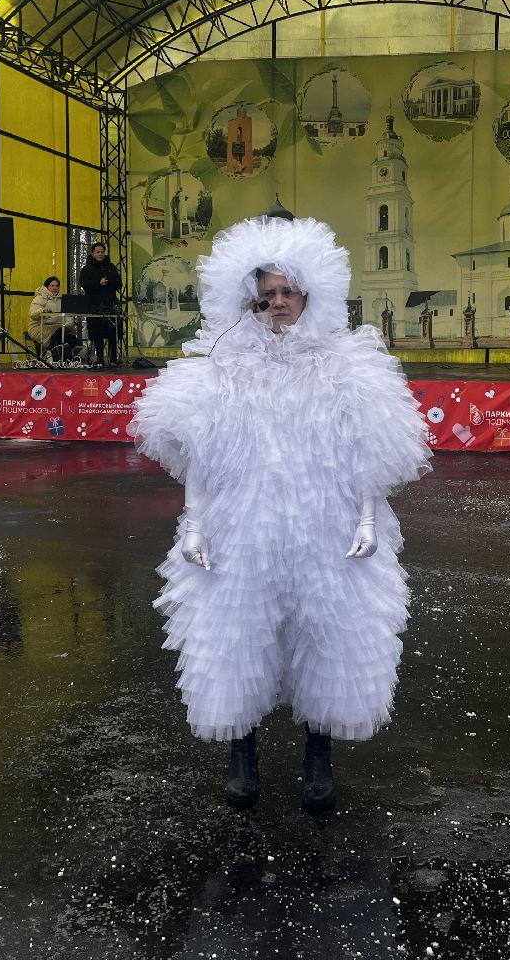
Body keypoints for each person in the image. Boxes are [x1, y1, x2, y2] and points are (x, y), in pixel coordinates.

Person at [130, 208, 431, 813]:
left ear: (308, 294)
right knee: (236, 634)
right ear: (248, 298)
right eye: (266, 293)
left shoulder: (345, 364)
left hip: (325, 521)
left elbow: (370, 449)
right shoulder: (222, 366)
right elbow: (198, 453)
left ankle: (318, 757)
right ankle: (242, 757)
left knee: (328, 635)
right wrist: (193, 521)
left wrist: (368, 518)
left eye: (288, 291)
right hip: (242, 523)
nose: (278, 302)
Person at [79, 240, 122, 366]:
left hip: (110, 304)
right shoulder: (87, 269)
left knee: (113, 332)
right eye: (98, 252)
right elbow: (84, 283)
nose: (100, 254)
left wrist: (109, 282)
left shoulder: (110, 267)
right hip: (94, 305)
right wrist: (98, 282)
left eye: (102, 252)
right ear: (92, 253)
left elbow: (119, 284)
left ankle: (114, 358)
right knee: (97, 332)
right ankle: (100, 358)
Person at [26, 274, 77, 363]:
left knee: (72, 338)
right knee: (58, 333)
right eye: (52, 285)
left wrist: (68, 327)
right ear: (47, 287)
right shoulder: (40, 298)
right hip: (38, 326)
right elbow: (32, 315)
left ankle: (64, 360)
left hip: (59, 327)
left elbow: (69, 316)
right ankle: (54, 359)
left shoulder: (63, 299)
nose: (55, 288)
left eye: (57, 286)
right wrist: (42, 311)